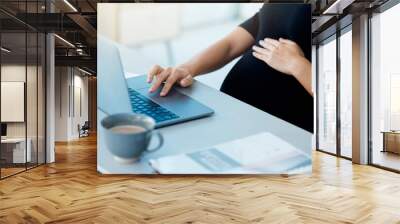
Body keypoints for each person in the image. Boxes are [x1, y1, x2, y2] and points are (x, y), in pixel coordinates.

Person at [147, 4, 313, 132]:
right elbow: (231, 44)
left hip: (282, 129)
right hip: (233, 113)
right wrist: (185, 69)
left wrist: (297, 65)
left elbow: (338, 97)